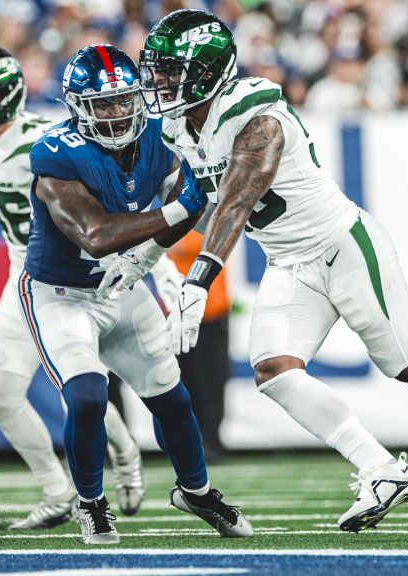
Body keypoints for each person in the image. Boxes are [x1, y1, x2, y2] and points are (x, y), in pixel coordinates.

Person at [120, 8, 408, 535]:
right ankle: (380, 469)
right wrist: (143, 256)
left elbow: (237, 194)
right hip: (290, 262)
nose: (157, 81)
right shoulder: (177, 127)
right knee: (274, 371)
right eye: (155, 69)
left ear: (206, 72)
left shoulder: (254, 110)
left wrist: (200, 274)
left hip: (342, 246)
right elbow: (194, 195)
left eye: (169, 71)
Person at [24, 43, 252, 544]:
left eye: (125, 99)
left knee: (172, 400)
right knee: (87, 397)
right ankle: (90, 502)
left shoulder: (155, 135)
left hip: (123, 285)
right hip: (61, 293)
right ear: (77, 108)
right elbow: (95, 234)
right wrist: (172, 215)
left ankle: (197, 491)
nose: (119, 111)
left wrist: (148, 258)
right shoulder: (56, 153)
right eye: (104, 104)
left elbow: (188, 199)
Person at [0, 45, 148, 529]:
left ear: (9, 96)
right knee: (0, 396)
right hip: (21, 270)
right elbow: (2, 189)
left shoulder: (45, 140)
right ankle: (58, 491)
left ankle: (123, 450)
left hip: (61, 271)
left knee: (72, 384)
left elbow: (96, 196)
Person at [167, 230, 232, 462]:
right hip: (178, 314)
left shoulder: (207, 217)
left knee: (211, 380)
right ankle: (190, 442)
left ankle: (211, 441)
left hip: (211, 312)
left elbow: (190, 246)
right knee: (183, 381)